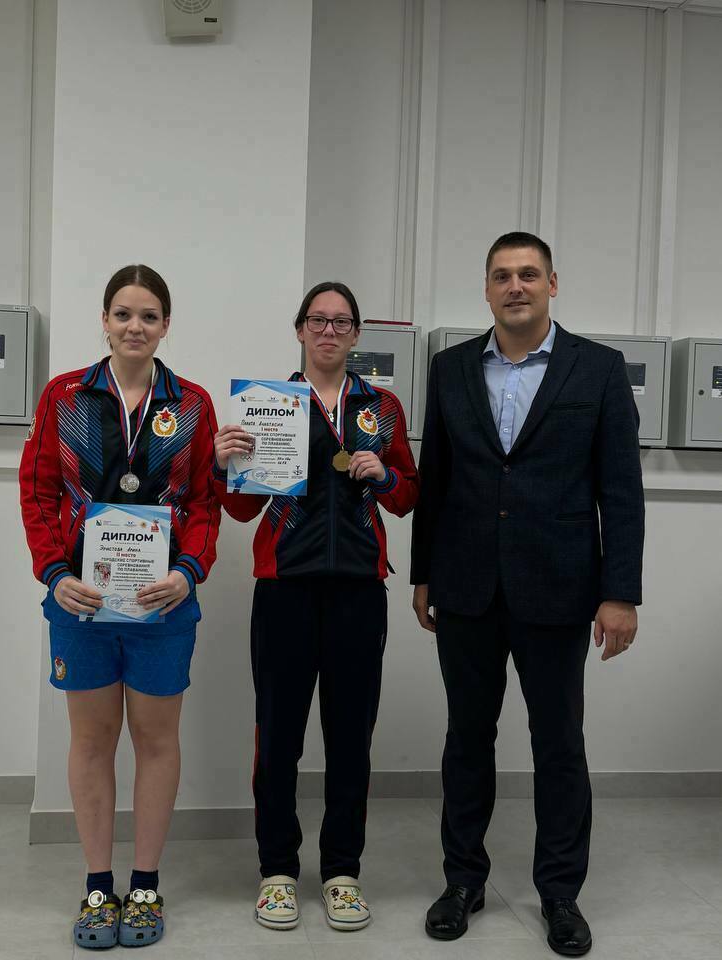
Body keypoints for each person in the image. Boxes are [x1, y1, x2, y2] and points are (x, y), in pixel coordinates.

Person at [411, 232, 644, 957]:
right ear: (486, 289)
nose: (516, 286)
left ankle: (561, 894)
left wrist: (620, 593)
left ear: (552, 284)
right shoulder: (450, 367)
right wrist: (423, 574)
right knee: (466, 742)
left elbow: (621, 491)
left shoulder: (598, 369)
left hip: (561, 588)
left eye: (529, 274)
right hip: (466, 586)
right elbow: (436, 478)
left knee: (559, 745)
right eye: (502, 276)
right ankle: (463, 881)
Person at [19, 264, 221, 949]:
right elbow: (37, 492)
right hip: (82, 603)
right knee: (92, 741)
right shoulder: (64, 396)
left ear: (166, 325)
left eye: (149, 316)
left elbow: (205, 503)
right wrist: (54, 573)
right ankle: (98, 886)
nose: (136, 326)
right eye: (124, 314)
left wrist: (189, 572)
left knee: (157, 742)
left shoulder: (191, 404)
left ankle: (146, 886)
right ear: (104, 320)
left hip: (162, 607)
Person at [213, 282, 418, 932]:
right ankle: (277, 870)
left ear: (356, 334)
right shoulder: (268, 404)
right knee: (277, 736)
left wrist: (385, 475)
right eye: (318, 320)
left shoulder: (381, 407)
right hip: (285, 589)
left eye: (341, 322)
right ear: (300, 329)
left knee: (351, 738)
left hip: (359, 591)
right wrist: (223, 465)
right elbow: (241, 508)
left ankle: (341, 872)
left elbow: (408, 495)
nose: (329, 331)